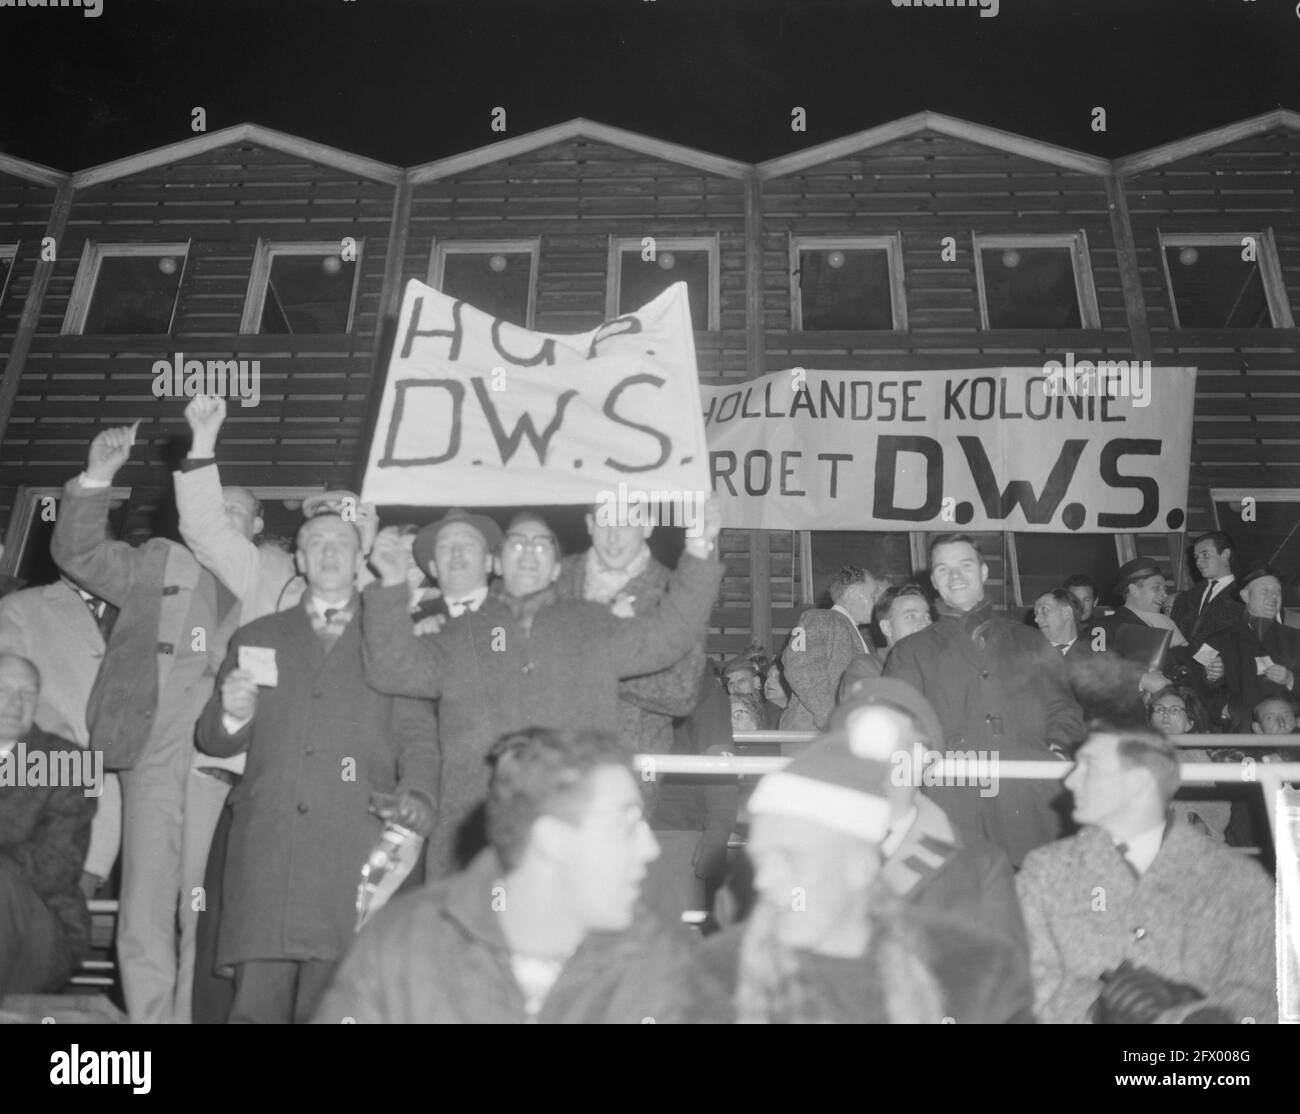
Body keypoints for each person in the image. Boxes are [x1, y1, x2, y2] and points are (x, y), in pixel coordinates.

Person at [362, 501, 724, 878]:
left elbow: (670, 635)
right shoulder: (459, 632)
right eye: (517, 544)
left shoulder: (593, 623)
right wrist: (389, 584)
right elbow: (393, 670)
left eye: (541, 545)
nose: (529, 553)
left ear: (556, 568)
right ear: (498, 563)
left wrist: (700, 548)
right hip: (474, 833)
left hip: (570, 828)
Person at [194, 512, 439, 1024]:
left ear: (358, 561)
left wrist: (418, 795)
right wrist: (234, 712)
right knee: (256, 1007)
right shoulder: (257, 636)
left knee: (340, 1003)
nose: (329, 552)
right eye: (316, 544)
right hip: (270, 850)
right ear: (300, 561)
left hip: (355, 843)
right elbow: (211, 738)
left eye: (341, 544)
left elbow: (418, 735)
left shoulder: (393, 638)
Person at [51, 425, 242, 1023]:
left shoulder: (276, 575)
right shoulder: (158, 561)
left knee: (205, 906)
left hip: (233, 762)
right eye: (216, 507)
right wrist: (98, 478)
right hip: (158, 747)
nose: (223, 517)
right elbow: (78, 554)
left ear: (256, 528)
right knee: (144, 903)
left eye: (238, 512)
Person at [313, 727, 694, 1023]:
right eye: (626, 821)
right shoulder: (403, 945)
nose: (651, 847)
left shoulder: (666, 962)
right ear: (552, 840)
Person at [682, 710, 1033, 1023]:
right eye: (759, 859)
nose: (765, 880)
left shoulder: (972, 979)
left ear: (862, 865)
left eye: (790, 857)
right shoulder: (720, 977)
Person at [172, 394, 304, 1023]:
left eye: (351, 525)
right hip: (228, 772)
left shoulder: (370, 597)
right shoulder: (266, 570)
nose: (334, 537)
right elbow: (203, 527)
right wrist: (203, 443)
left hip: (309, 791)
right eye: (323, 524)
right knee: (205, 917)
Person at [1016, 724, 1275, 1023]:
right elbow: (1027, 985)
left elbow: (1265, 995)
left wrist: (1197, 1012)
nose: (1071, 780)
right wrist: (1094, 1010)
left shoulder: (1238, 880)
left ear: (1138, 783)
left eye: (1089, 766)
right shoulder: (1045, 872)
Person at [884, 534, 1083, 866]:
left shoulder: (1032, 642)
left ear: (984, 571)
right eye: (943, 569)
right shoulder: (910, 652)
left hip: (1030, 801)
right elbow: (898, 727)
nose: (956, 576)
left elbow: (1064, 709)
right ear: (933, 580)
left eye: (965, 565)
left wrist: (1055, 753)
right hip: (953, 805)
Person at [555, 506, 705, 793]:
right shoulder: (554, 577)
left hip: (632, 767)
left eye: (625, 523)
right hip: (551, 761)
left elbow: (682, 693)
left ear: (648, 525)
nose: (613, 536)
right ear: (588, 523)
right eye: (604, 522)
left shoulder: (676, 592)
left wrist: (595, 659)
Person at [0, 576, 121, 900]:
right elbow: (9, 690)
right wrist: (62, 744)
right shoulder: (20, 607)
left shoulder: (145, 607)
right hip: (53, 780)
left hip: (130, 793)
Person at [0, 654, 97, 999]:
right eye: (5, 689)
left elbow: (59, 864)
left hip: (41, 929)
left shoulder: (68, 761)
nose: (17, 701)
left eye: (28, 693)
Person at [644, 661, 739, 927]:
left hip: (677, 831)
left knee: (676, 937)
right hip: (624, 827)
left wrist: (717, 834)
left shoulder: (701, 687)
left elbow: (719, 761)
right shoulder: (621, 677)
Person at [782, 566, 881, 732]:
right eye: (873, 595)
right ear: (853, 593)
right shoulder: (819, 618)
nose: (877, 601)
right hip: (813, 738)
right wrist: (831, 719)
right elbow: (799, 667)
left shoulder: (853, 631)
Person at [1204, 566, 1300, 732]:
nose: (1274, 597)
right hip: (1241, 731)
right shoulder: (1216, 641)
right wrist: (1214, 684)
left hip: (1290, 734)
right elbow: (1198, 690)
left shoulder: (1296, 638)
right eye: (1265, 591)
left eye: (1278, 592)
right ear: (1245, 595)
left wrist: (1291, 679)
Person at [1146, 684, 1232, 841]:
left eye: (1174, 710)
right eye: (1159, 709)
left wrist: (1197, 823)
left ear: (1189, 724)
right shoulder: (1132, 753)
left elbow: (1216, 809)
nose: (1165, 714)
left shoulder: (1201, 759)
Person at [838, 583, 933, 703]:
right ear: (886, 627)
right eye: (911, 616)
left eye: (927, 616)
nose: (925, 624)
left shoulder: (940, 665)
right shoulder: (866, 668)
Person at [1170, 531, 1242, 649]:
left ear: (1225, 555)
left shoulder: (1244, 596)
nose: (1198, 562)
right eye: (1196, 557)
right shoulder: (1184, 598)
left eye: (1205, 555)